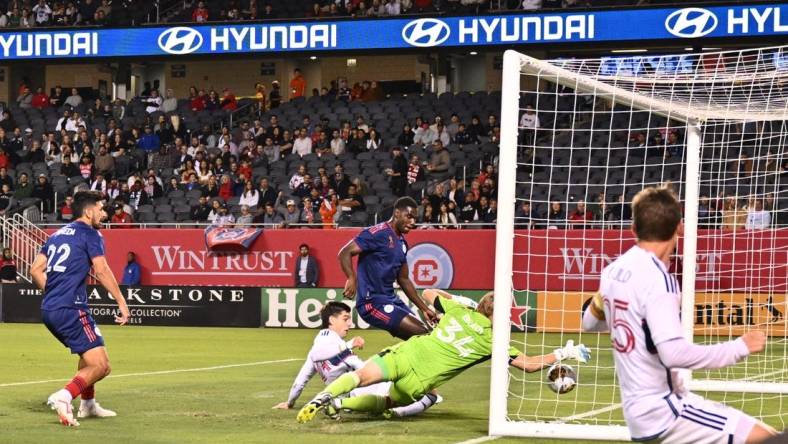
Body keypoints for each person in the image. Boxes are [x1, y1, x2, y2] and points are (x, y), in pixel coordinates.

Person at [581, 186, 777, 444]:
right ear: (679, 228)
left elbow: (588, 323)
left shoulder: (613, 271)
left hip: (640, 408)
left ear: (633, 229)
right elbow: (673, 354)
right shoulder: (659, 281)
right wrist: (738, 347)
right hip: (665, 411)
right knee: (768, 439)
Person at [297, 289, 590, 423]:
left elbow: (427, 293)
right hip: (422, 380)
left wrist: (460, 300)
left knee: (360, 376)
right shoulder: (494, 340)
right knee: (387, 401)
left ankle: (323, 397)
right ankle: (340, 404)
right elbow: (528, 365)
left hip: (409, 353)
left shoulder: (459, 310)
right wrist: (565, 352)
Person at [29, 191, 130, 427]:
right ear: (88, 211)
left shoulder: (56, 235)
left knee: (89, 353)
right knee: (102, 366)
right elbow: (102, 270)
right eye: (101, 208)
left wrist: (54, 294)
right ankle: (63, 397)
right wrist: (122, 303)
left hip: (52, 308)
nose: (104, 214)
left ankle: (88, 404)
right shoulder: (90, 233)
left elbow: (35, 270)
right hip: (71, 308)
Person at [274, 302, 440, 418]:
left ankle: (385, 408)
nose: (349, 323)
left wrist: (290, 402)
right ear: (332, 320)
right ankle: (397, 412)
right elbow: (337, 359)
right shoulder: (328, 340)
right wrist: (350, 345)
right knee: (431, 394)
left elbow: (300, 381)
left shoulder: (320, 346)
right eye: (345, 319)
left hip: (352, 394)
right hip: (364, 390)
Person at [338, 196, 436, 340]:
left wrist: (424, 308)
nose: (413, 222)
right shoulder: (377, 233)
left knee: (422, 338)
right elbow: (345, 252)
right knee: (422, 333)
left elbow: (403, 279)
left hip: (391, 300)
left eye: (415, 219)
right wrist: (351, 278)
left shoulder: (402, 244)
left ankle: (399, 362)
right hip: (371, 303)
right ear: (396, 213)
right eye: (409, 216)